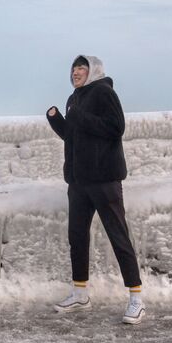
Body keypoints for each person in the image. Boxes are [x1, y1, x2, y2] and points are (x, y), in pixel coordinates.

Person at [46, 55, 145, 324]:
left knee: (118, 234)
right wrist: (57, 120)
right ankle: (80, 294)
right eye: (74, 68)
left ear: (93, 71)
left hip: (104, 179)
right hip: (78, 181)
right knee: (77, 236)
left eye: (82, 68)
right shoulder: (74, 98)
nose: (76, 72)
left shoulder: (104, 92)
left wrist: (80, 116)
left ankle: (136, 298)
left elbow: (116, 128)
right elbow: (73, 135)